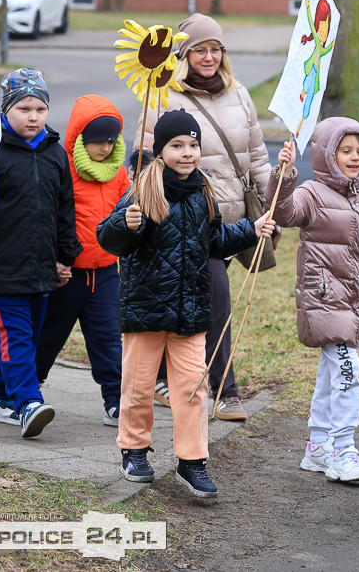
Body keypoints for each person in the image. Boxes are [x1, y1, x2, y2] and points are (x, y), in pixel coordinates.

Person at [98, 109, 273, 498]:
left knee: (195, 389)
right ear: (160, 151)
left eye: (193, 145)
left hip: (191, 311)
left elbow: (215, 241)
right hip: (146, 311)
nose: (187, 153)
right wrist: (123, 224)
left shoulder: (202, 191)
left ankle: (192, 461)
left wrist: (250, 229)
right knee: (140, 387)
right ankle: (135, 450)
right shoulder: (142, 191)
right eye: (177, 145)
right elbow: (109, 240)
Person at [135, 13, 274, 421]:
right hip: (186, 219)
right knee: (215, 298)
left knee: (190, 299)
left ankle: (166, 377)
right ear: (184, 53)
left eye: (216, 49)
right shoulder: (163, 93)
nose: (209, 57)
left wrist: (272, 201)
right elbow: (143, 157)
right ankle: (225, 390)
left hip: (231, 218)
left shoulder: (240, 94)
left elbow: (258, 157)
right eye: (200, 49)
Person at [267, 118, 359, 483]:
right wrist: (283, 179)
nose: (354, 158)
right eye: (345, 150)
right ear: (327, 154)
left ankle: (318, 447)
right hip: (323, 295)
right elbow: (284, 212)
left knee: (332, 375)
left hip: (356, 299)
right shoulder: (312, 193)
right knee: (349, 371)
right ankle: (343, 449)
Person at [0, 68, 81, 438]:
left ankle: (0, 400)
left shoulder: (55, 152)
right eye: (24, 108)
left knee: (26, 336)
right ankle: (28, 403)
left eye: (40, 108)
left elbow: (64, 209)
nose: (33, 116)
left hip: (40, 266)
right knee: (16, 337)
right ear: (5, 109)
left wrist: (65, 256)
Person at [35, 95, 129, 426]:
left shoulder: (118, 172)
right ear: (79, 138)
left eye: (110, 140)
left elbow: (126, 210)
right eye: (95, 141)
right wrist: (57, 259)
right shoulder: (62, 166)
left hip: (105, 272)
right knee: (48, 334)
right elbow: (50, 217)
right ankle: (26, 391)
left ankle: (115, 399)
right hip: (67, 274)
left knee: (107, 337)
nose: (104, 148)